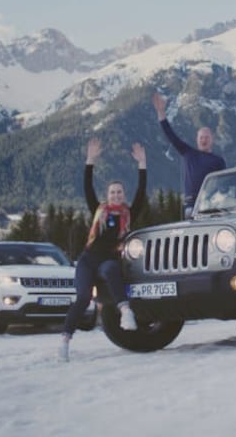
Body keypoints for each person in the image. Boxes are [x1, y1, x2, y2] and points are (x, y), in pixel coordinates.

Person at [60, 138, 147, 362]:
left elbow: (141, 191)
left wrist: (142, 164)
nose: (116, 195)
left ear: (123, 195)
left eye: (119, 192)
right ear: (107, 196)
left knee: (110, 269)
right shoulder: (99, 210)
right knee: (82, 298)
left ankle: (126, 312)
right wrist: (90, 160)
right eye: (112, 192)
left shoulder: (129, 213)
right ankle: (65, 341)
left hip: (109, 260)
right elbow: (88, 188)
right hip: (88, 260)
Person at [152, 91, 226, 218]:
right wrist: (161, 112)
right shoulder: (188, 153)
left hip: (211, 206)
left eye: (206, 137)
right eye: (201, 137)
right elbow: (171, 135)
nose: (204, 140)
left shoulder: (218, 161)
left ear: (212, 140)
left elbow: (223, 185)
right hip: (191, 206)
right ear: (197, 139)